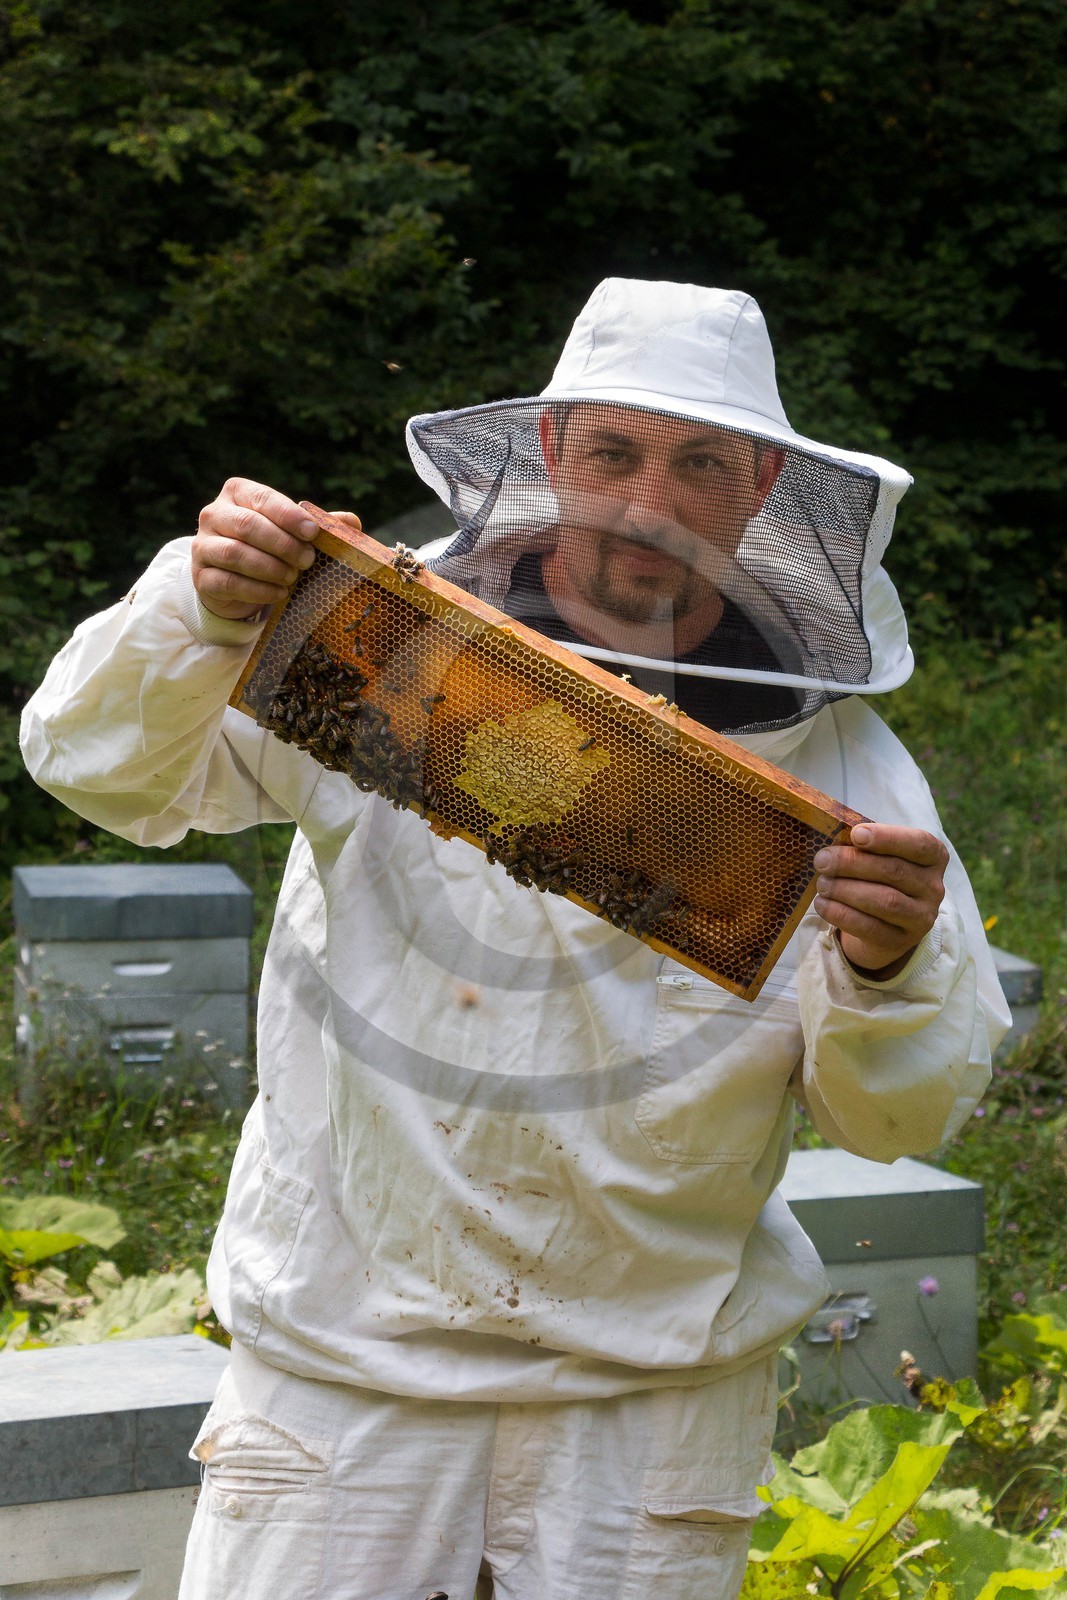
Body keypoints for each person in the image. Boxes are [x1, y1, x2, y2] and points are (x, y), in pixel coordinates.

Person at [20, 278, 1007, 1600]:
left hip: (644, 1410)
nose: (650, 506)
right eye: (612, 451)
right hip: (342, 1381)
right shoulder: (384, 642)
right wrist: (196, 607)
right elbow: (100, 766)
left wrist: (888, 972)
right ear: (550, 454)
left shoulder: (843, 764)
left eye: (700, 464)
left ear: (762, 482)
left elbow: (899, 1117)